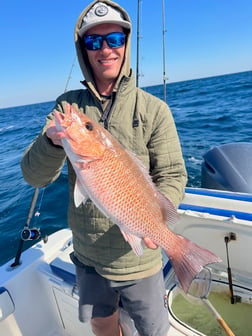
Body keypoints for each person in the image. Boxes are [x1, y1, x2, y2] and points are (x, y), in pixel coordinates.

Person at [21, 1, 187, 335]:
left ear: (126, 44)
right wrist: (52, 142)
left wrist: (151, 219)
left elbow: (172, 174)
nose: (105, 49)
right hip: (89, 258)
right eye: (93, 42)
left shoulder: (154, 110)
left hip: (140, 261)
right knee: (102, 324)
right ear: (83, 50)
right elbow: (34, 176)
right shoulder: (67, 108)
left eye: (113, 38)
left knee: (153, 328)